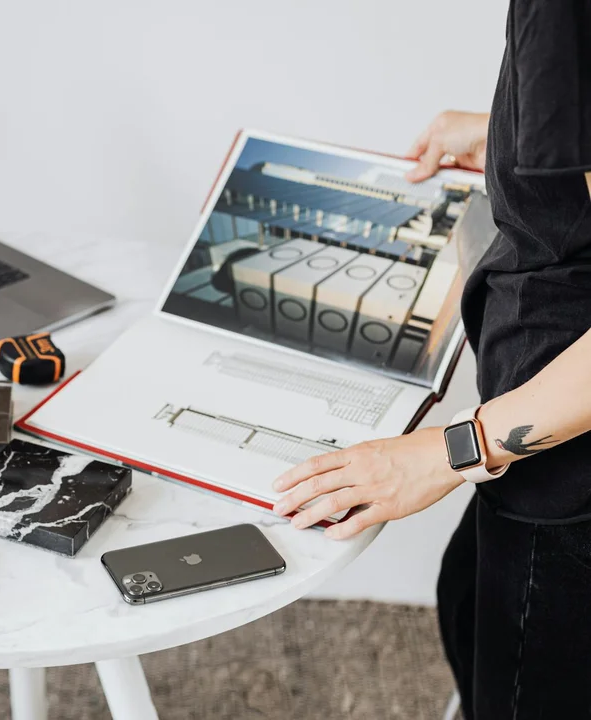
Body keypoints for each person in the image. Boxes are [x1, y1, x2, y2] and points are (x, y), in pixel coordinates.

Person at [269, 1, 591, 717]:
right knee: (468, 596)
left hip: (566, 471)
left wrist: (445, 453)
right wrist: (523, 134)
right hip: (540, 436)